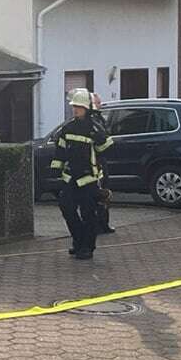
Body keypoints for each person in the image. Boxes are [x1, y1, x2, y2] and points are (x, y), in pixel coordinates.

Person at [52, 88, 113, 260]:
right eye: (74, 106)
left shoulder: (94, 127)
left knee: (89, 214)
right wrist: (56, 169)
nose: (75, 109)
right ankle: (78, 240)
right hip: (70, 178)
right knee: (67, 208)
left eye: (79, 107)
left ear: (87, 108)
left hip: (89, 179)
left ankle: (87, 247)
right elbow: (60, 151)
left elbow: (105, 150)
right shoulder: (68, 128)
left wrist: (99, 136)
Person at [89, 92, 115, 235]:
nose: (100, 105)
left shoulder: (98, 118)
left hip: (101, 161)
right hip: (96, 161)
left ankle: (104, 223)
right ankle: (99, 224)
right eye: (98, 103)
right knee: (99, 193)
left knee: (104, 192)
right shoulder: (93, 120)